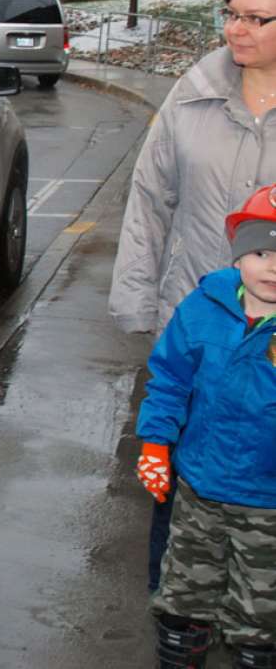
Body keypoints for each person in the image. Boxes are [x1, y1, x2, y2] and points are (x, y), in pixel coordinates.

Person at [110, 0, 276, 592]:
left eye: (257, 19)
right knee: (179, 493)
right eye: (231, 14)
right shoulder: (193, 91)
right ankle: (177, 620)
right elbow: (151, 200)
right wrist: (138, 301)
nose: (237, 30)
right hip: (195, 331)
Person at [134, 184, 276, 669]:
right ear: (238, 256)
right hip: (199, 491)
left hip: (268, 505)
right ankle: (179, 651)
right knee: (185, 600)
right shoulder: (201, 309)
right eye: (260, 251)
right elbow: (170, 379)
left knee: (261, 618)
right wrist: (156, 443)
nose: (272, 265)